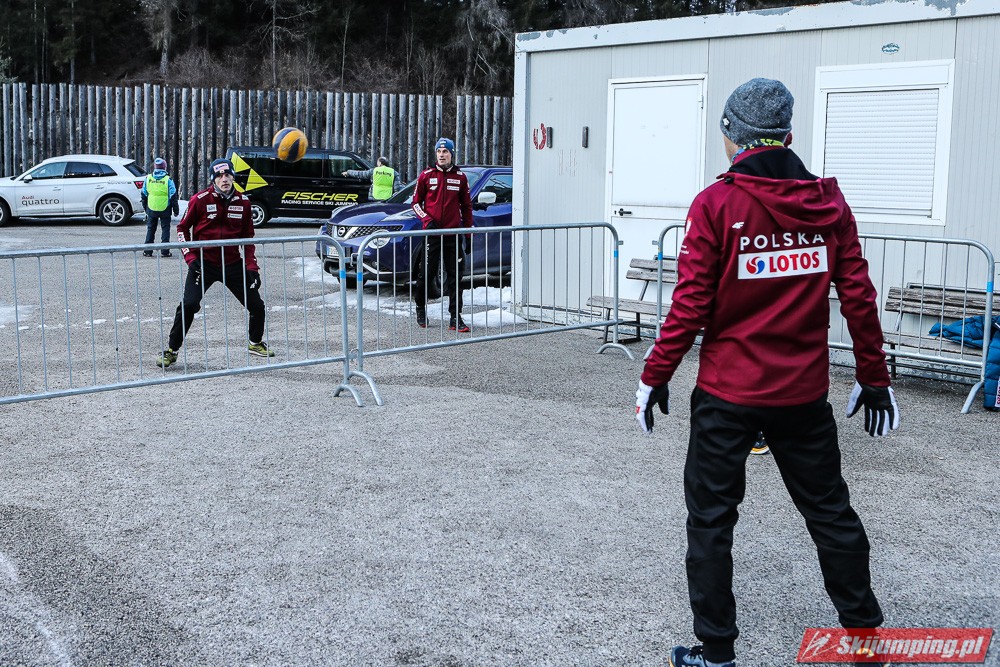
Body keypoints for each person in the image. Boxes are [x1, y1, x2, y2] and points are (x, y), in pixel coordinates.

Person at [634, 78, 900, 667]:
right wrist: (874, 376)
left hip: (728, 394)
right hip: (802, 396)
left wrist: (655, 374)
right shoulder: (828, 204)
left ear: (732, 136)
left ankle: (717, 654)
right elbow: (858, 297)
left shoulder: (716, 204)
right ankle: (865, 642)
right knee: (830, 514)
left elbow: (690, 305)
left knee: (711, 522)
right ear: (788, 136)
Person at [157, 158, 275, 368]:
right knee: (189, 305)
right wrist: (190, 257)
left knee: (257, 306)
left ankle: (255, 342)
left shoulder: (244, 202)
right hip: (203, 264)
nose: (224, 179)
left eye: (228, 175)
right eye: (219, 176)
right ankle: (171, 350)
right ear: (213, 179)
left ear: (233, 177)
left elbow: (248, 238)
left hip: (232, 263)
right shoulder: (200, 199)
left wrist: (252, 267)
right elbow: (182, 228)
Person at [411, 137, 473, 332]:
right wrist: (427, 220)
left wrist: (468, 235)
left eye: (445, 152)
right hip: (432, 234)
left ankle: (455, 317)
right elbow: (415, 203)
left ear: (452, 154)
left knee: (455, 277)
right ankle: (421, 309)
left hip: (452, 235)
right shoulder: (426, 175)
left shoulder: (460, 177)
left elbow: (467, 207)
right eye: (439, 151)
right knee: (427, 274)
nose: (441, 155)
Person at [141, 157, 180, 258]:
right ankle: (165, 251)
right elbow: (173, 196)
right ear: (164, 168)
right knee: (165, 229)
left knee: (151, 229)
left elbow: (144, 194)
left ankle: (148, 251)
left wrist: (145, 208)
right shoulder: (168, 180)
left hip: (151, 208)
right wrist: (176, 210)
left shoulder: (148, 178)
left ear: (155, 167)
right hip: (165, 208)